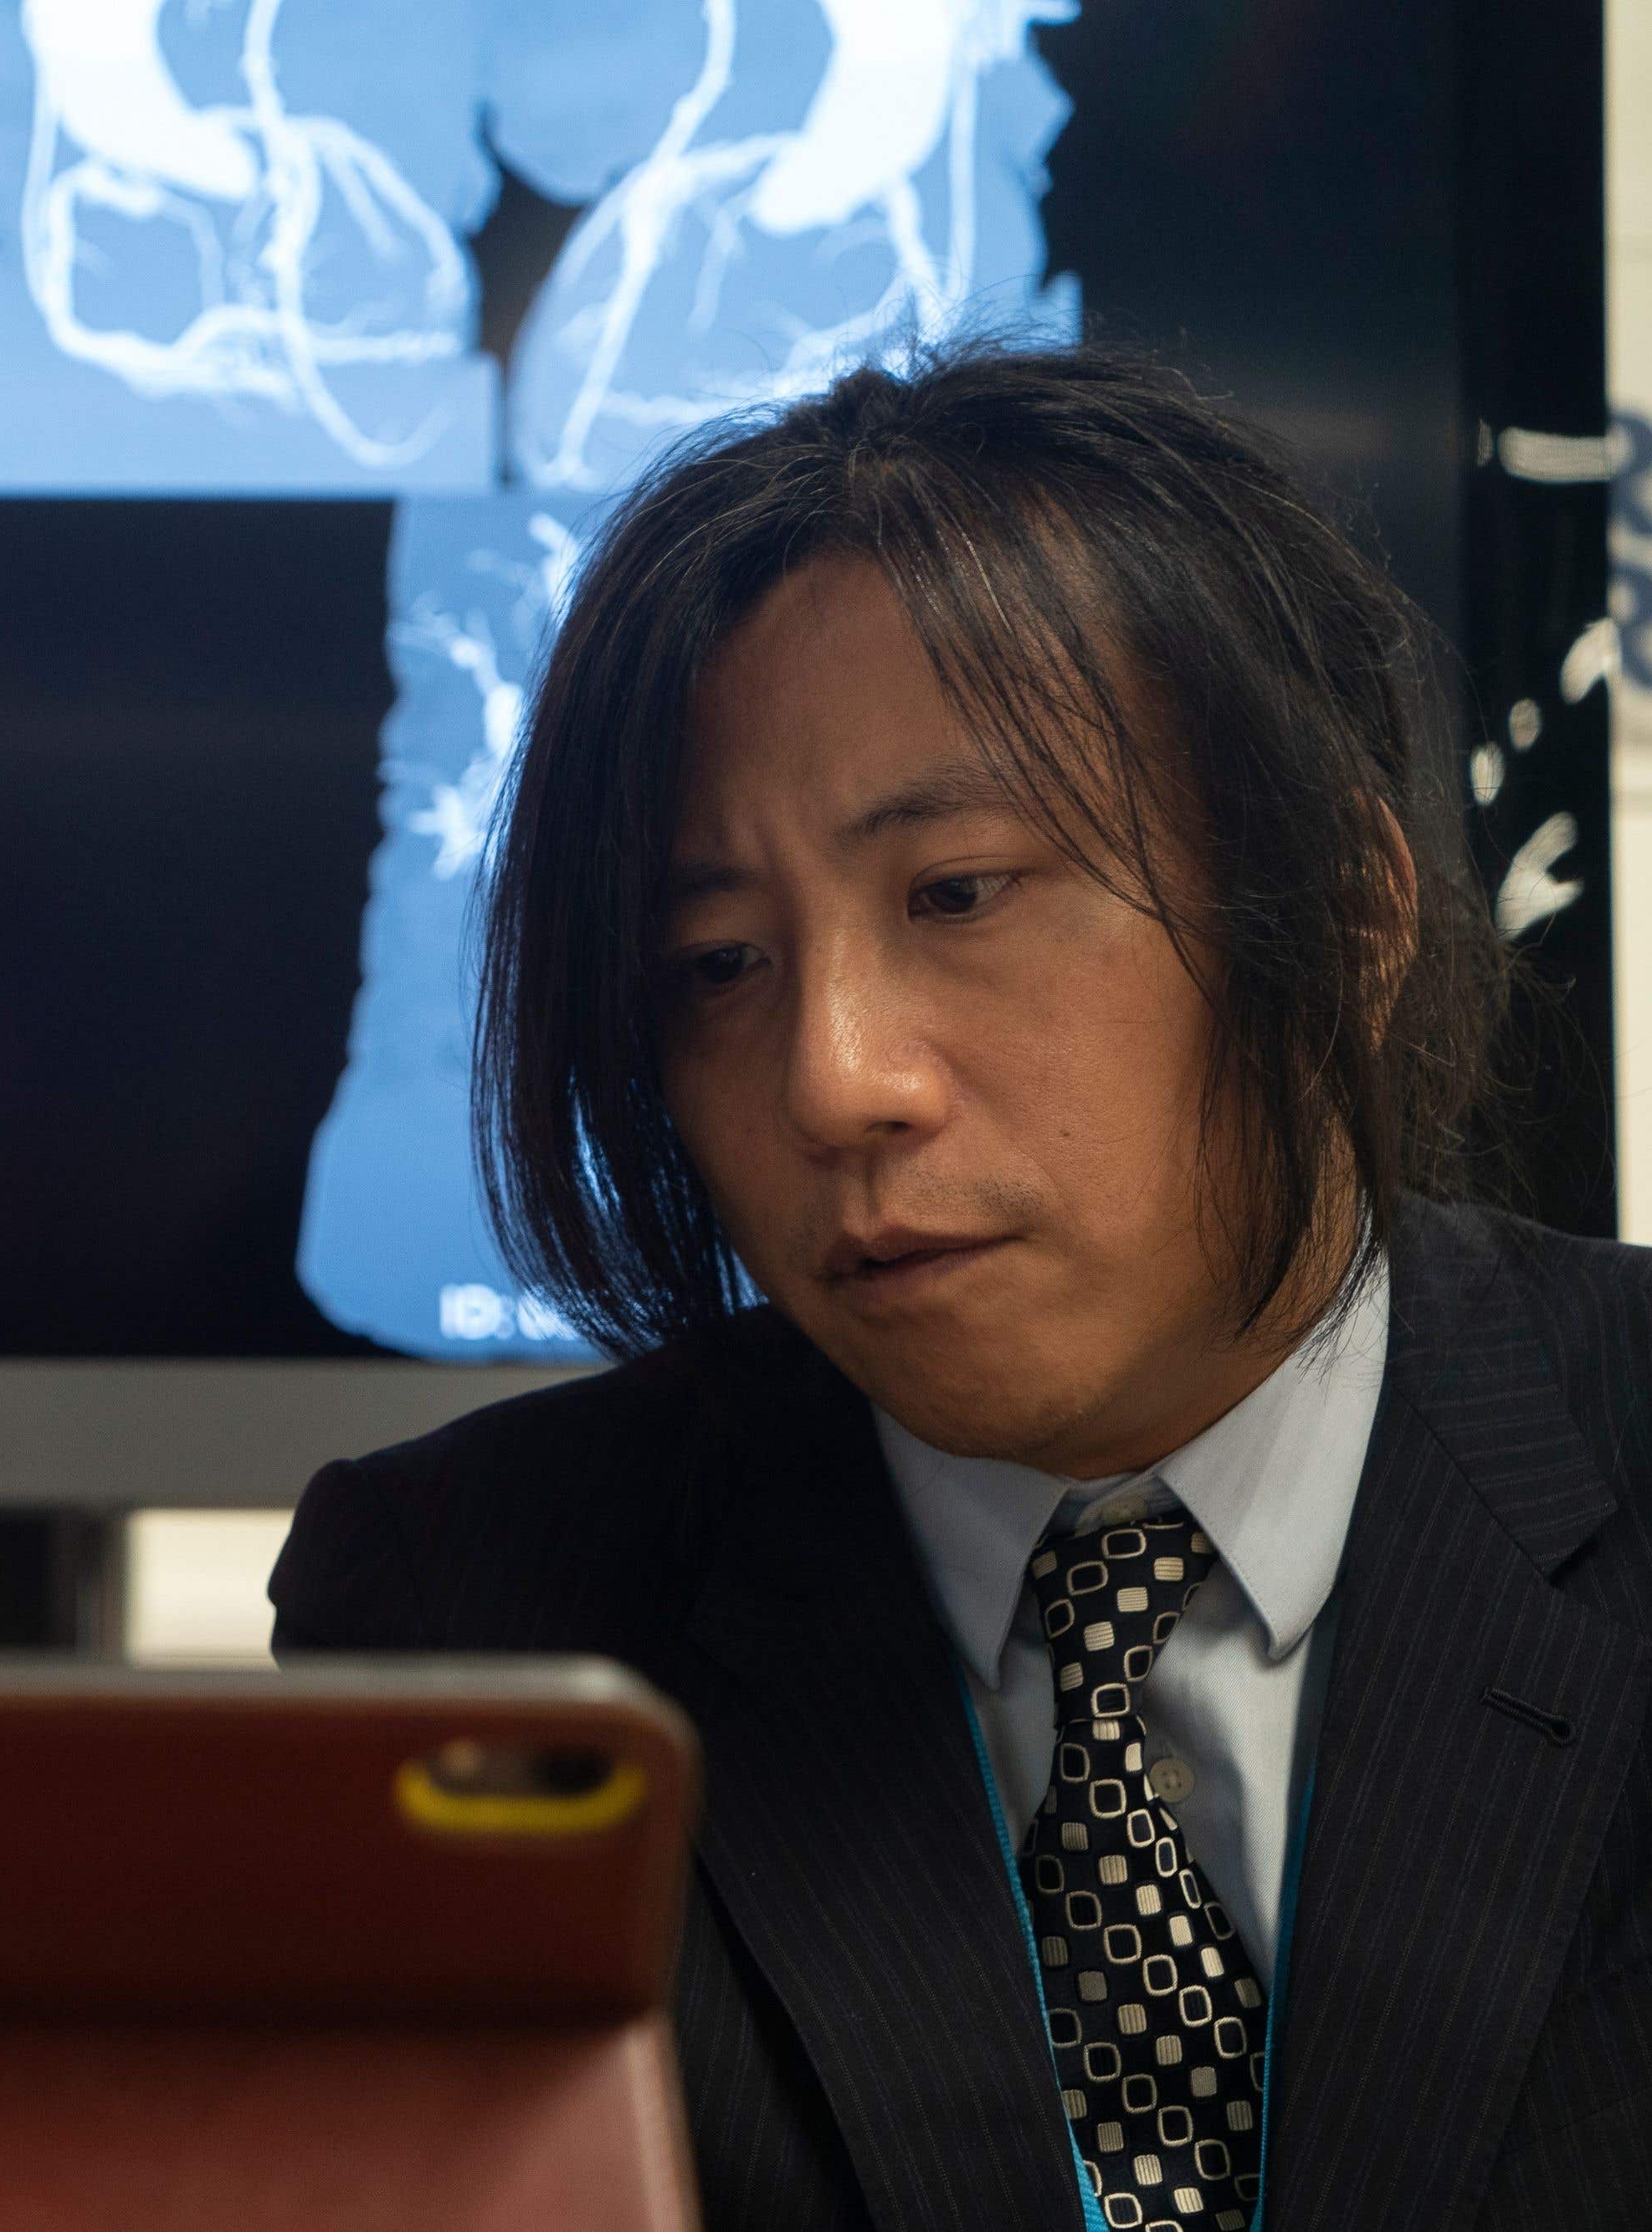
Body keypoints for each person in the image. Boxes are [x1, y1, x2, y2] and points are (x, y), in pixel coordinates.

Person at [273, 348, 1652, 2232]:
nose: (833, 1078)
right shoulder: (474, 1607)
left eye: (959, 893)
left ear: (1341, 909)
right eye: (714, 963)